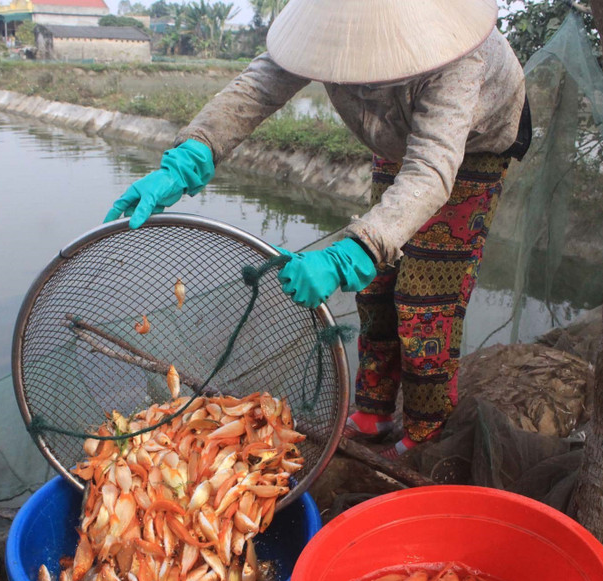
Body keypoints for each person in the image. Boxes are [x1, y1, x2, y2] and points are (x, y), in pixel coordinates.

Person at [106, 0, 531, 459]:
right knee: (376, 285)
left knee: (424, 300)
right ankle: (373, 409)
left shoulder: (455, 54)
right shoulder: (326, 29)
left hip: (468, 149)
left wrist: (355, 251)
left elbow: (431, 169)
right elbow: (257, 88)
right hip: (397, 140)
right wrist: (191, 156)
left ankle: (424, 434)